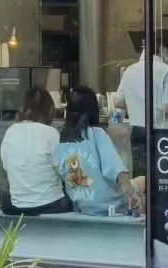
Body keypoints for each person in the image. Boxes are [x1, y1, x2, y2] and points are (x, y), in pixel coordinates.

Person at [55, 85, 141, 216]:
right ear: (93, 110)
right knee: (143, 182)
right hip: (110, 206)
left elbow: (62, 173)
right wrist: (131, 193)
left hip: (83, 207)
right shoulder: (97, 134)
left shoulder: (63, 140)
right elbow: (116, 168)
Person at [115, 29, 168, 179]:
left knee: (141, 178)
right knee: (162, 178)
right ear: (162, 48)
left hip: (137, 132)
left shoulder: (130, 70)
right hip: (161, 133)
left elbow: (118, 101)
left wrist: (139, 103)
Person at [0, 87, 69, 216]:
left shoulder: (10, 132)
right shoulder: (50, 133)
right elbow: (64, 171)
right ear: (49, 110)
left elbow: (6, 166)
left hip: (17, 205)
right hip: (50, 205)